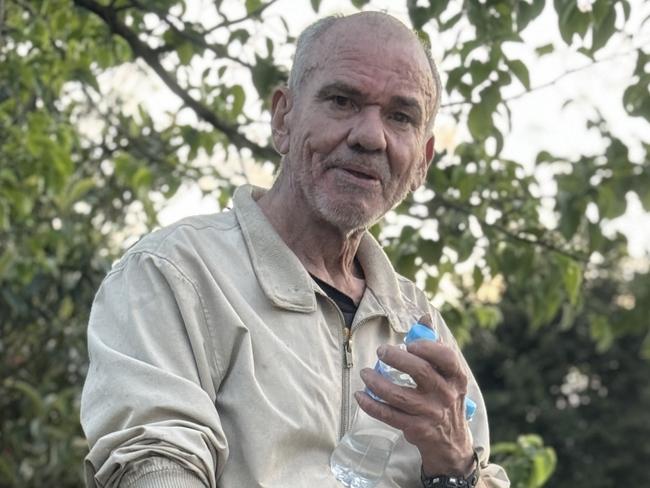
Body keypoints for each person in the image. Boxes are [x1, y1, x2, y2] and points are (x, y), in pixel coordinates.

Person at [81, 11, 510, 488]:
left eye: (401, 116)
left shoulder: (421, 327)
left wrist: (453, 465)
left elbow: (471, 470)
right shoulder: (175, 273)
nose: (370, 136)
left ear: (421, 162)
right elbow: (154, 464)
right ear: (283, 117)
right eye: (342, 101)